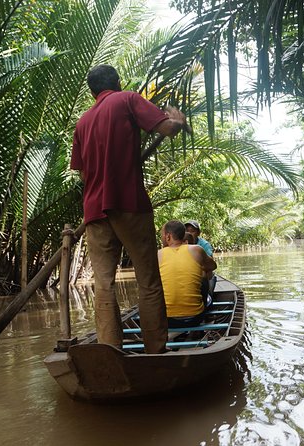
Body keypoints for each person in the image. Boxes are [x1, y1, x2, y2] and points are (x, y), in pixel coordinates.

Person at [70, 64, 187, 353]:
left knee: (104, 284)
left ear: (92, 91)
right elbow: (167, 128)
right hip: (129, 202)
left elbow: (83, 175)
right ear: (117, 83)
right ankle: (155, 349)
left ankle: (110, 351)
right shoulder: (128, 99)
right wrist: (178, 117)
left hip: (94, 211)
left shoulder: (83, 122)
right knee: (147, 279)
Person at [158, 220, 217, 327]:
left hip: (166, 319)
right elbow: (212, 267)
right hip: (195, 317)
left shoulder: (158, 254)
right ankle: (206, 313)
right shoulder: (197, 250)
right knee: (204, 272)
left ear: (168, 237)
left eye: (162, 235)